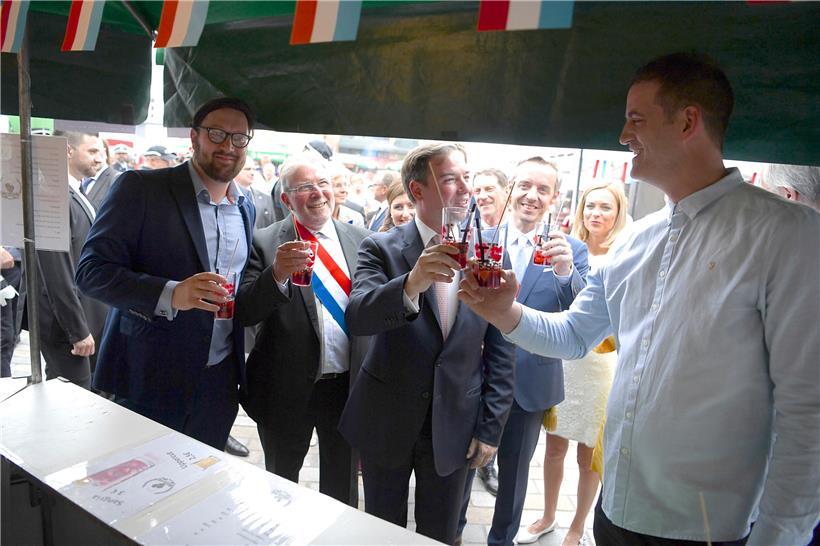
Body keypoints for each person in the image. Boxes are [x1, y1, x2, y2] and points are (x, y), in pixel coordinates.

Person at [458, 52, 819, 546]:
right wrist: (504, 312)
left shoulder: (785, 234)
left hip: (710, 528)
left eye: (636, 119)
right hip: (617, 511)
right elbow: (573, 335)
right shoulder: (636, 240)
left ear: (689, 120)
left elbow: (808, 411)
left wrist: (779, 538)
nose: (624, 136)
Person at [338, 142, 516, 545]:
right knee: (382, 530)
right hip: (388, 418)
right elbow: (359, 317)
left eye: (467, 178)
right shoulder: (380, 247)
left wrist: (491, 428)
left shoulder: (488, 252)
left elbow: (504, 346)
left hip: (456, 419)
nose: (466, 189)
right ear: (418, 191)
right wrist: (412, 283)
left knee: (442, 532)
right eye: (452, 179)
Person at [76, 97, 257, 451]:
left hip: (218, 382)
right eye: (217, 133)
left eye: (239, 138)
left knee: (199, 490)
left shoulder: (245, 206)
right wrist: (172, 294)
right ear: (194, 137)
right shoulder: (141, 188)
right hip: (148, 377)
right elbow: (91, 272)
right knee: (134, 490)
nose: (228, 146)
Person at [458, 158, 589, 546]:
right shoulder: (480, 237)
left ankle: (501, 540)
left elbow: (582, 316)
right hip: (475, 375)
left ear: (554, 199)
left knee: (514, 475)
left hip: (531, 380)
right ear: (512, 187)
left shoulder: (569, 250)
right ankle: (453, 533)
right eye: (526, 186)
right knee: (463, 465)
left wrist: (566, 272)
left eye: (543, 190)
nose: (532, 196)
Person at [237, 153, 370, 506]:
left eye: (323, 184)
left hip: (345, 389)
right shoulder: (263, 242)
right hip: (284, 387)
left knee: (342, 491)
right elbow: (246, 311)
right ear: (285, 198)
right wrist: (276, 274)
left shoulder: (363, 239)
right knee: (281, 486)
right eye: (304, 187)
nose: (317, 193)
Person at [519, 181, 628, 546]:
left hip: (601, 366)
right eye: (590, 206)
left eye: (605, 208)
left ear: (618, 213)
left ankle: (578, 525)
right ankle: (548, 515)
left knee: (588, 455)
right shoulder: (565, 245)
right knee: (553, 446)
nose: (596, 214)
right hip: (563, 360)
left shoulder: (626, 251)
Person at [31, 131, 110, 389]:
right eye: (92, 151)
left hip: (85, 320)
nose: (100, 159)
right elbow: (56, 271)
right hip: (67, 328)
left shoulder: (74, 190)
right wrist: (77, 330)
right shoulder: (53, 195)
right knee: (73, 399)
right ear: (68, 151)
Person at [236, 156, 275, 230]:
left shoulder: (266, 199)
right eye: (247, 169)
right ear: (235, 170)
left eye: (254, 169)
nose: (252, 173)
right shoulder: (225, 196)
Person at [84, 142, 123, 209]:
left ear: (105, 152)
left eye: (94, 152)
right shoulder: (81, 179)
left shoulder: (117, 179)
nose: (92, 157)